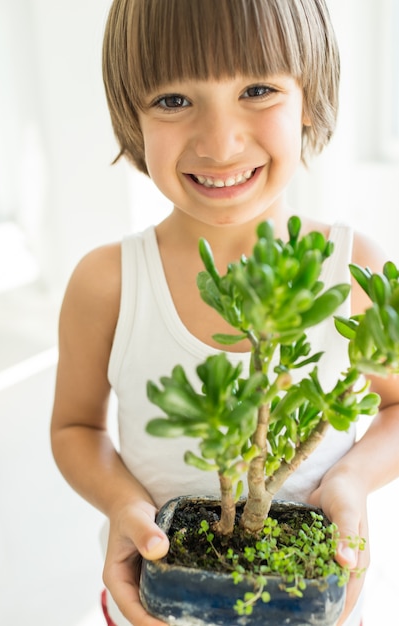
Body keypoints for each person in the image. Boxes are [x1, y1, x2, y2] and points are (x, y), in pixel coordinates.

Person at [50, 1, 399, 625]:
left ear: (308, 101)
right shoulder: (107, 283)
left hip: (311, 601)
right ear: (132, 116)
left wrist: (348, 482)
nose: (220, 142)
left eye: (258, 89)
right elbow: (76, 429)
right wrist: (125, 505)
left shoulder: (354, 273)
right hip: (156, 600)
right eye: (174, 100)